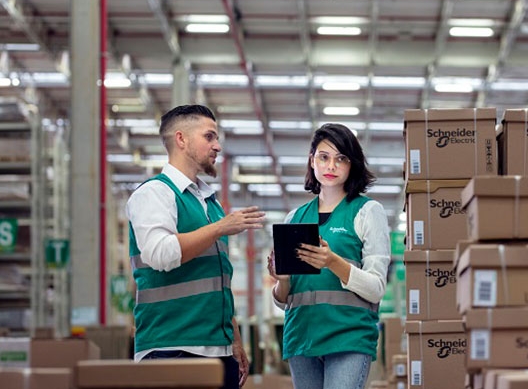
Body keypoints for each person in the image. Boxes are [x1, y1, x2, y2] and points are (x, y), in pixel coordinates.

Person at [126, 104, 266, 389]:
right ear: (181, 139)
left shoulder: (210, 203)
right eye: (209, 137)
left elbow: (218, 281)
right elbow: (159, 254)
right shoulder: (155, 193)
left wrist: (235, 339)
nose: (217, 146)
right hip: (172, 347)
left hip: (219, 349)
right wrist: (220, 228)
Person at [267, 123, 391, 389]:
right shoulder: (294, 219)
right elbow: (284, 301)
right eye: (324, 157)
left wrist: (332, 261)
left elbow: (377, 288)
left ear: (352, 164)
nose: (331, 166)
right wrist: (283, 280)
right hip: (302, 338)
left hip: (348, 338)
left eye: (341, 159)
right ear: (312, 161)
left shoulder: (368, 212)